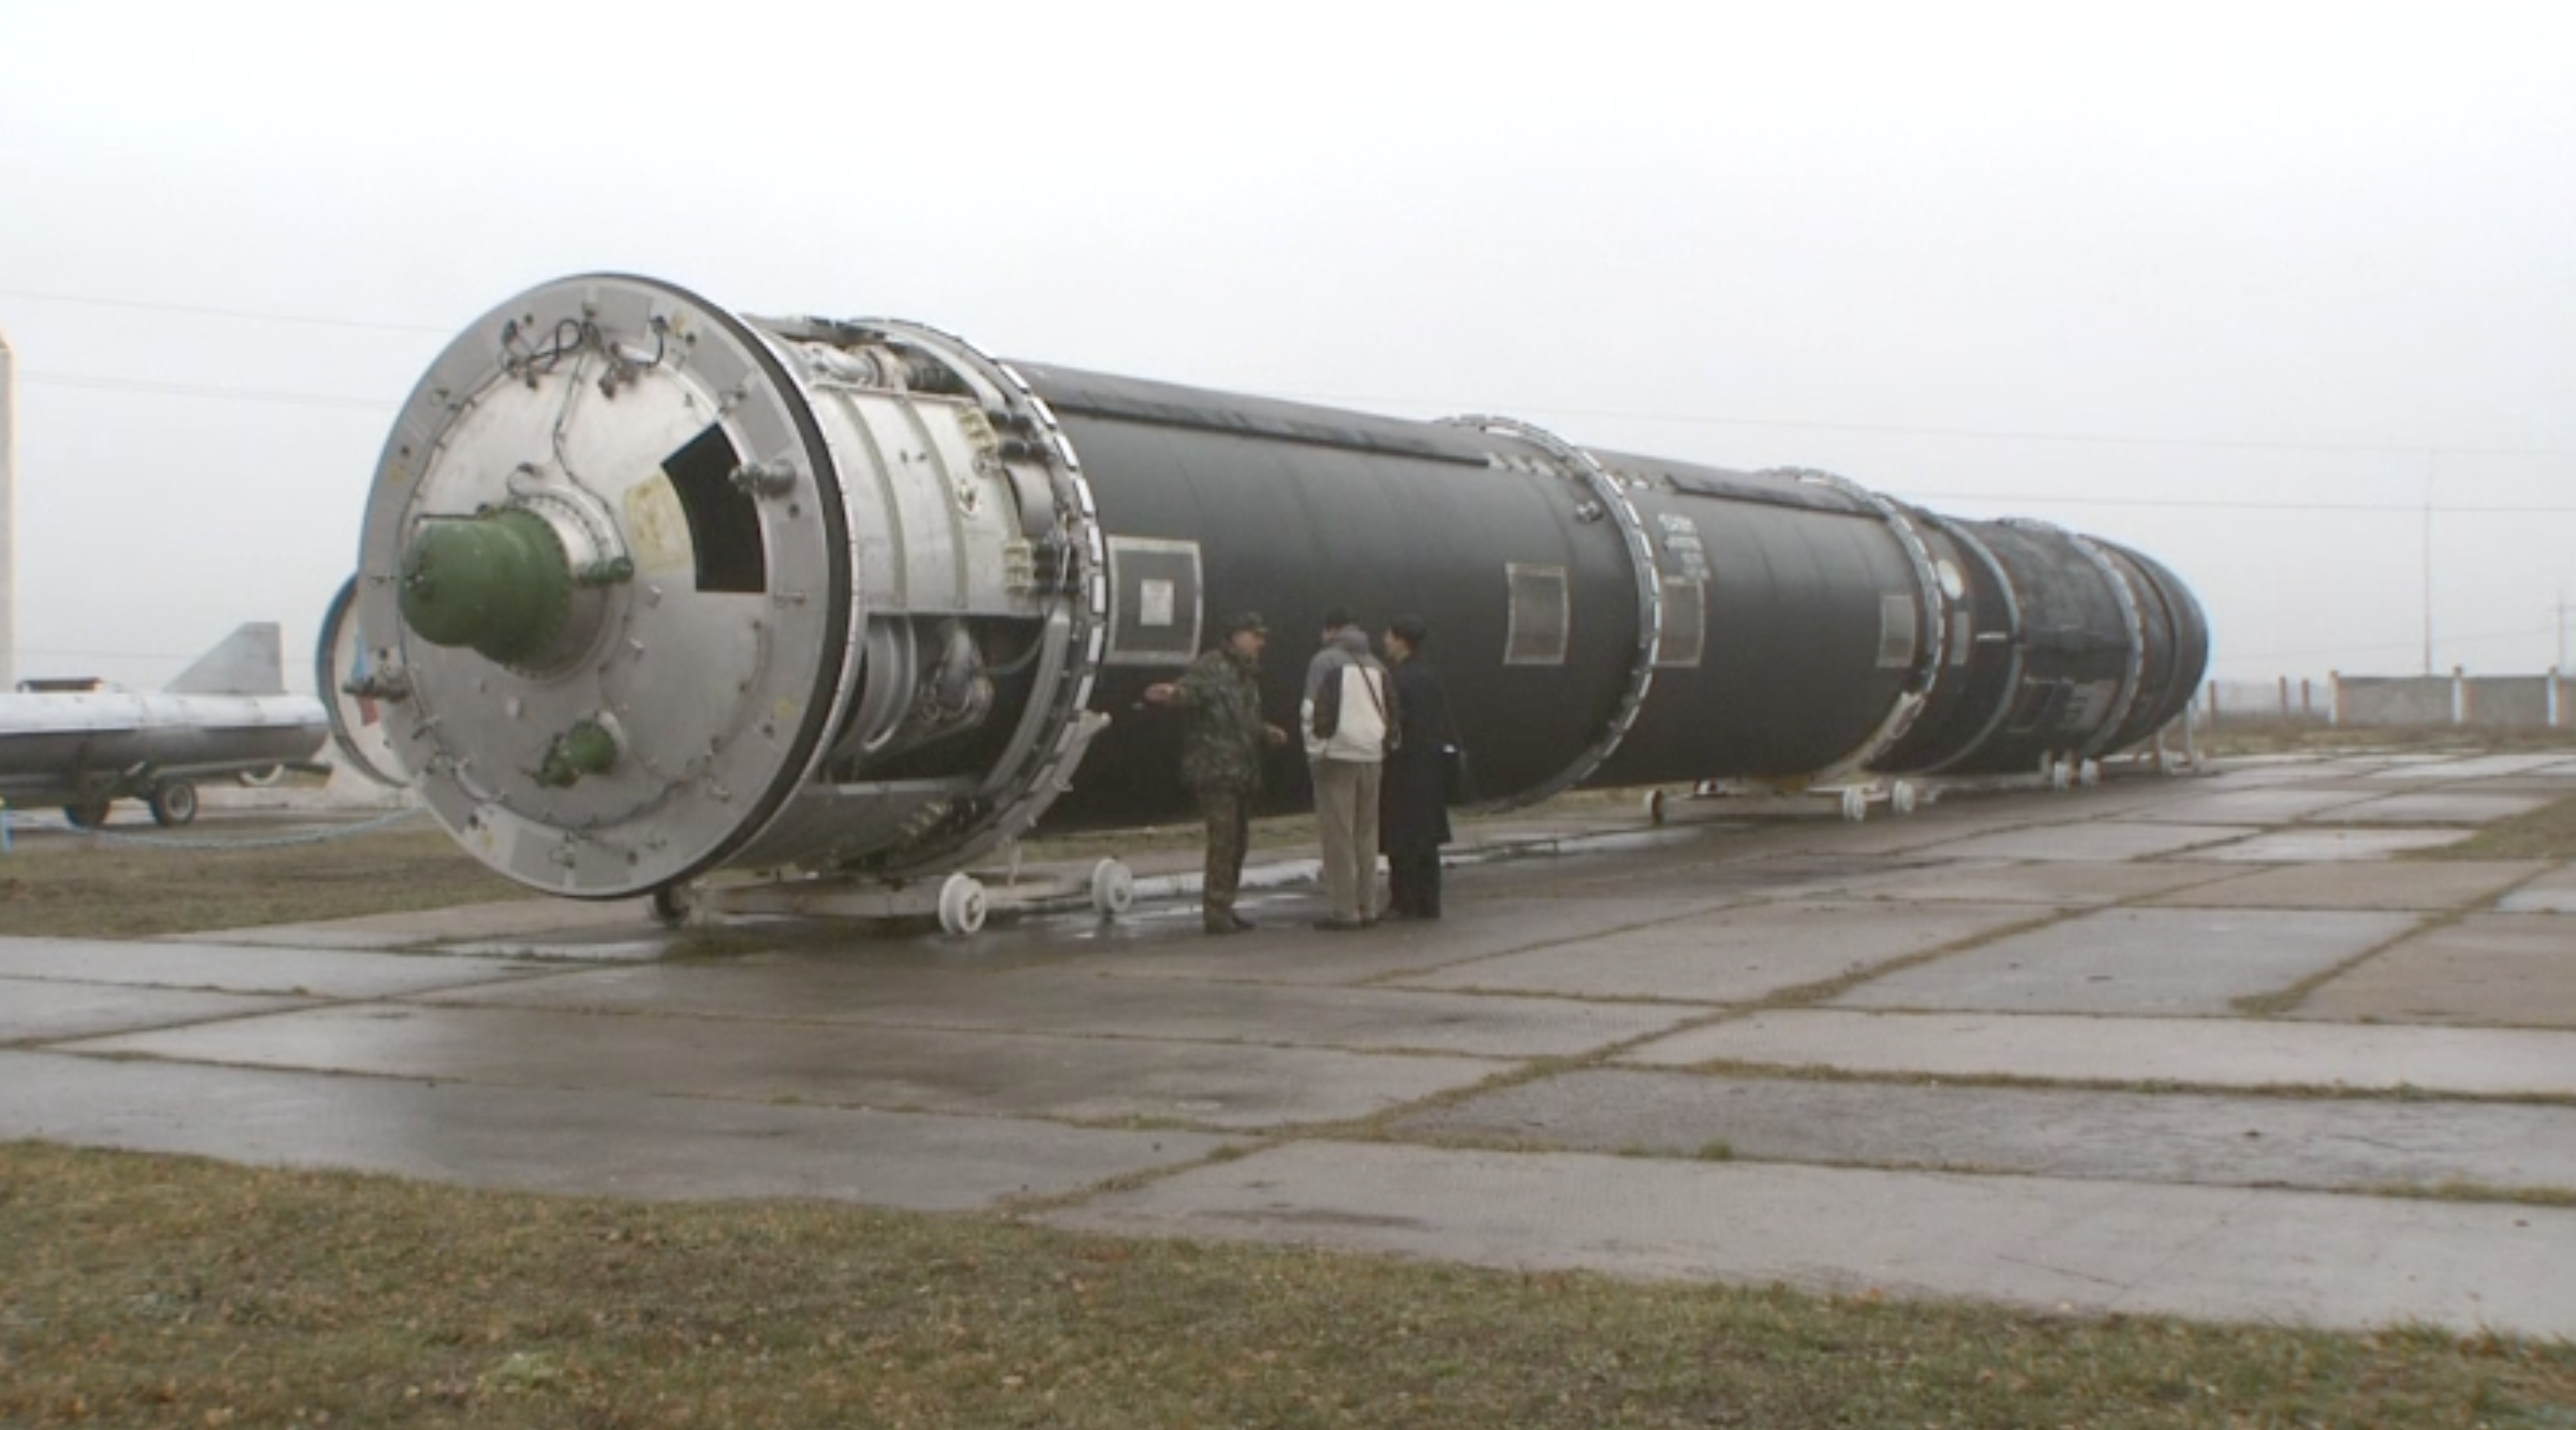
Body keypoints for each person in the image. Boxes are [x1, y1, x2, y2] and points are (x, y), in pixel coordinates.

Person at [1141, 613, 1289, 935]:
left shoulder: (1247, 677)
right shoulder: (1211, 667)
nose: (1260, 643)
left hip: (1242, 770)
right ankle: (1216, 911)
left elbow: (1243, 721)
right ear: (1236, 636)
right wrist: (1171, 694)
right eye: (1255, 636)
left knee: (1238, 843)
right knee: (1223, 841)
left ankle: (1225, 905)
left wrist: (1266, 733)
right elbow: (1190, 692)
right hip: (1215, 770)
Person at [1300, 607, 1397, 930]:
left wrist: (1316, 751)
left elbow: (1311, 710)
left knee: (1338, 834)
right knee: (1367, 834)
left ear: (1331, 630)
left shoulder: (1325, 661)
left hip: (1337, 756)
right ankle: (1367, 905)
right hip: (1372, 756)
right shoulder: (1377, 665)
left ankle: (1345, 910)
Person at [1377, 615, 1452, 920]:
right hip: (1430, 766)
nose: (1384, 641)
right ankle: (1429, 901)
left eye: (1388, 636)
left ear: (1400, 641)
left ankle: (1404, 900)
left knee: (1401, 837)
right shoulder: (1430, 676)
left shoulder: (1396, 678)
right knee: (1427, 839)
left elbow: (1394, 722)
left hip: (1403, 766)